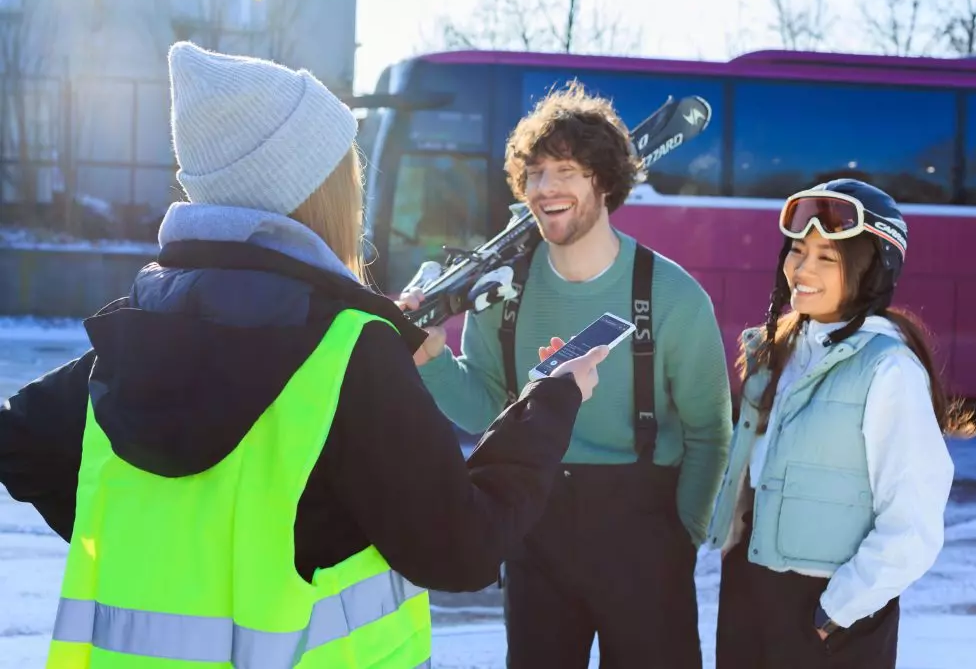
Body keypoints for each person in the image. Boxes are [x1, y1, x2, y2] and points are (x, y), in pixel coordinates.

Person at [0, 43, 611, 669]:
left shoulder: (134, 330)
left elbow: (17, 440)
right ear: (315, 190)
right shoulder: (349, 353)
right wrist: (550, 403)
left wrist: (155, 542)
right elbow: (461, 548)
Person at [400, 81, 733, 668]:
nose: (545, 188)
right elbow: (487, 411)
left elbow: (710, 431)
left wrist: (684, 534)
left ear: (603, 182)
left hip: (645, 539)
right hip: (537, 532)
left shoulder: (673, 295)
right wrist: (430, 357)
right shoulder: (502, 292)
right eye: (533, 173)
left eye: (565, 171)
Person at [707, 178, 975, 669]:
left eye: (826, 258)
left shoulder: (889, 369)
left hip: (828, 613)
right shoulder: (778, 351)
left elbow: (912, 521)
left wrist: (838, 609)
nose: (801, 268)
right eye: (796, 250)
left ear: (870, 271)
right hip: (750, 593)